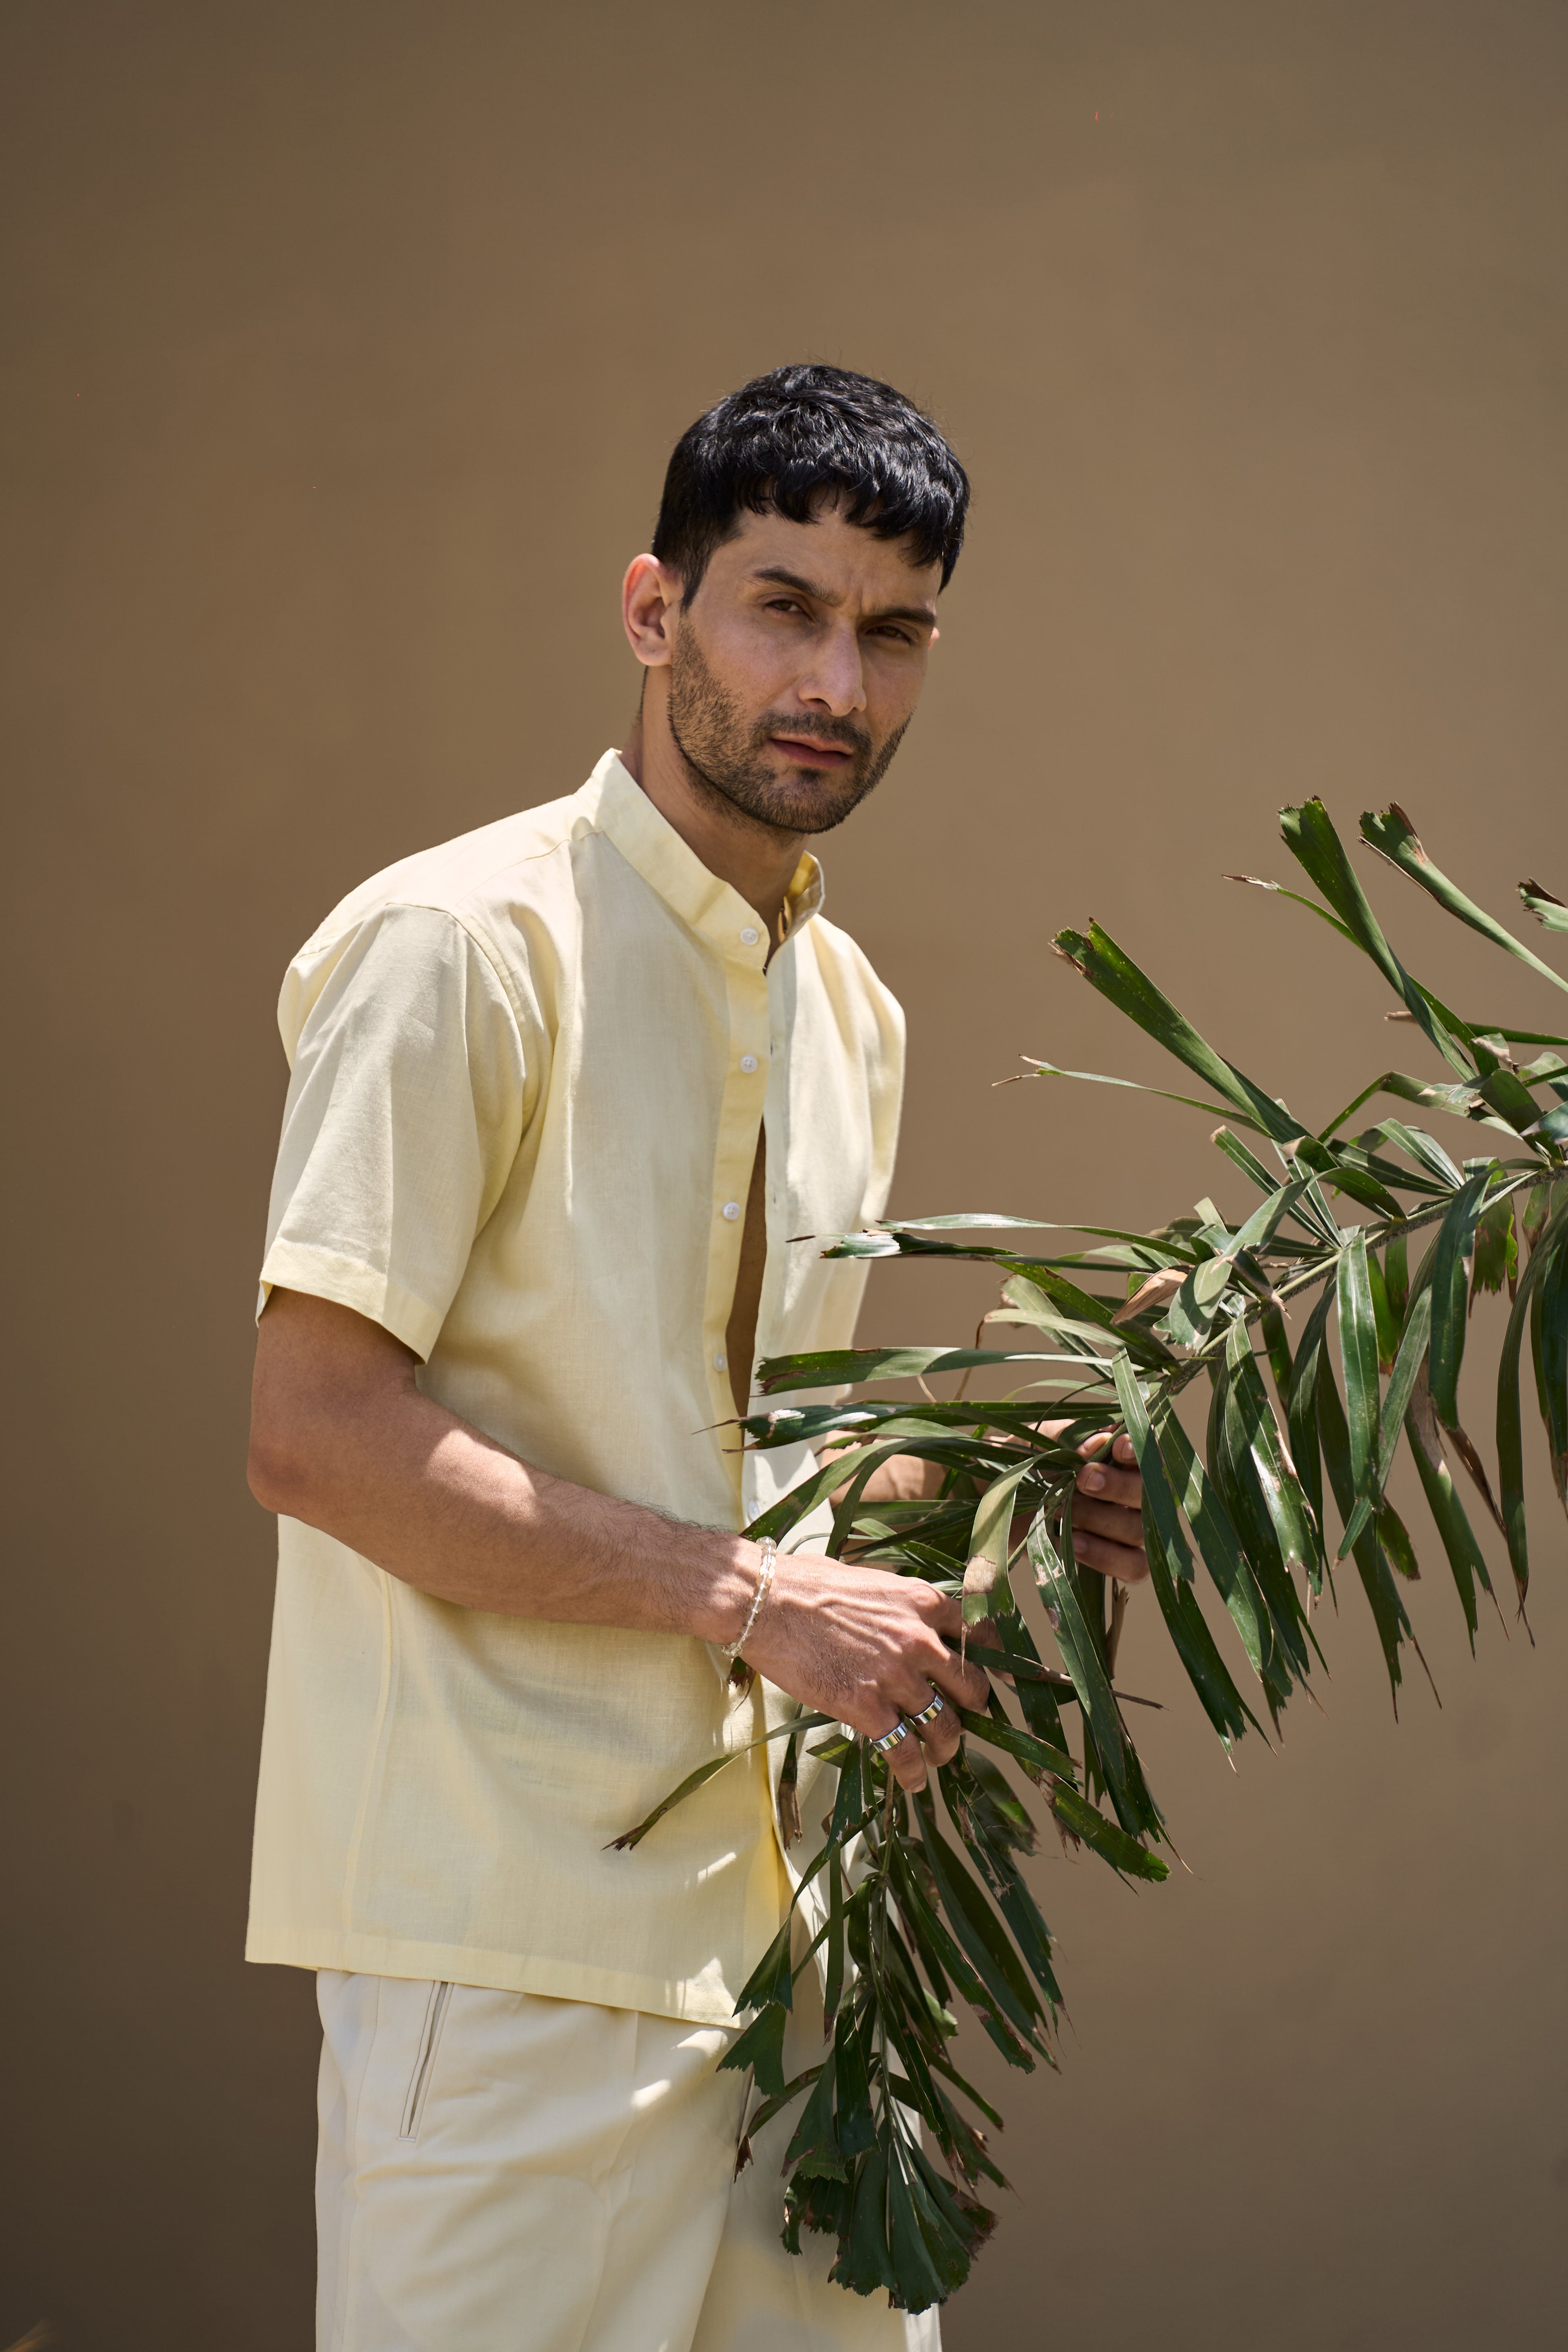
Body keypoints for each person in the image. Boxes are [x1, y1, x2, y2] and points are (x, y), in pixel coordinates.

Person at [245, 363, 1149, 2352]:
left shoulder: (849, 1007)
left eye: (890, 628)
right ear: (653, 609)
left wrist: (1029, 1470)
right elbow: (316, 1437)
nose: (834, 672)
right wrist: (753, 1599)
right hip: (501, 1967)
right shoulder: (456, 945)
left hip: (801, 1963)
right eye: (783, 605)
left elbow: (758, 1483)